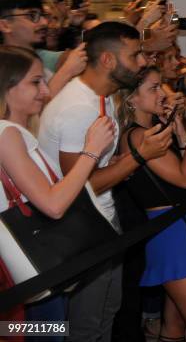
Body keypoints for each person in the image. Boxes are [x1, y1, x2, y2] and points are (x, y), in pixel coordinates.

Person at [37, 21, 172, 342]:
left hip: (103, 226)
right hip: (81, 233)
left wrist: (117, 162)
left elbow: (93, 168)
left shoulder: (102, 99)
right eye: (136, 55)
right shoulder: (77, 108)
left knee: (107, 313)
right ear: (108, 60)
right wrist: (138, 157)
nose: (143, 62)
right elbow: (81, 189)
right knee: (87, 325)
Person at [0, 46, 114, 339]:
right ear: (8, 87)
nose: (45, 90)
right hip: (32, 260)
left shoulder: (15, 131)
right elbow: (53, 204)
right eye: (35, 82)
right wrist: (91, 151)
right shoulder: (7, 135)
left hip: (33, 260)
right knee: (47, 333)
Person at [117, 66, 186, 342]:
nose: (161, 92)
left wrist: (183, 132)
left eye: (161, 85)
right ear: (131, 99)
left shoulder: (153, 129)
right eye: (153, 88)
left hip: (180, 229)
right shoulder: (139, 137)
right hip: (171, 235)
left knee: (175, 325)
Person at [0, 0, 87, 97]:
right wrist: (66, 71)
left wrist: (75, 27)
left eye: (42, 15)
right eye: (31, 15)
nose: (45, 23)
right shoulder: (4, 69)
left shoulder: (39, 60)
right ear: (5, 25)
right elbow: (31, 109)